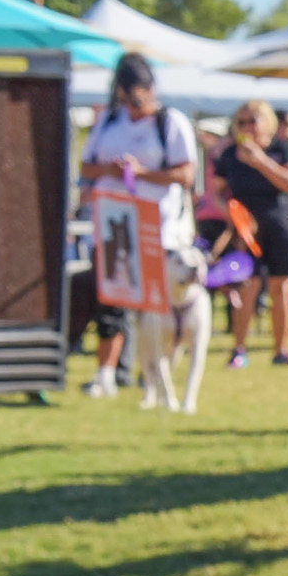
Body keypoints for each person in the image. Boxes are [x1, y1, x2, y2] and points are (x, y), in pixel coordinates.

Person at [77, 53, 200, 397]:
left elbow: (187, 174)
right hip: (114, 224)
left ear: (151, 89)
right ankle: (108, 373)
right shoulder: (109, 122)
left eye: (139, 95)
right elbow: (86, 167)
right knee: (111, 304)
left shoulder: (169, 122)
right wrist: (110, 171)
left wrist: (142, 173)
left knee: (155, 308)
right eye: (128, 95)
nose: (134, 104)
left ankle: (154, 375)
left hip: (157, 230)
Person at [214, 97, 288, 367]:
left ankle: (281, 350)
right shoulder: (231, 154)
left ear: (267, 123)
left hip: (282, 225)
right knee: (247, 285)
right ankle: (238, 349)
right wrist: (230, 213)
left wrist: (260, 161)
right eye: (240, 122)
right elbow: (218, 192)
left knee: (281, 287)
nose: (246, 127)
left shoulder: (282, 149)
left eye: (252, 121)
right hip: (247, 231)